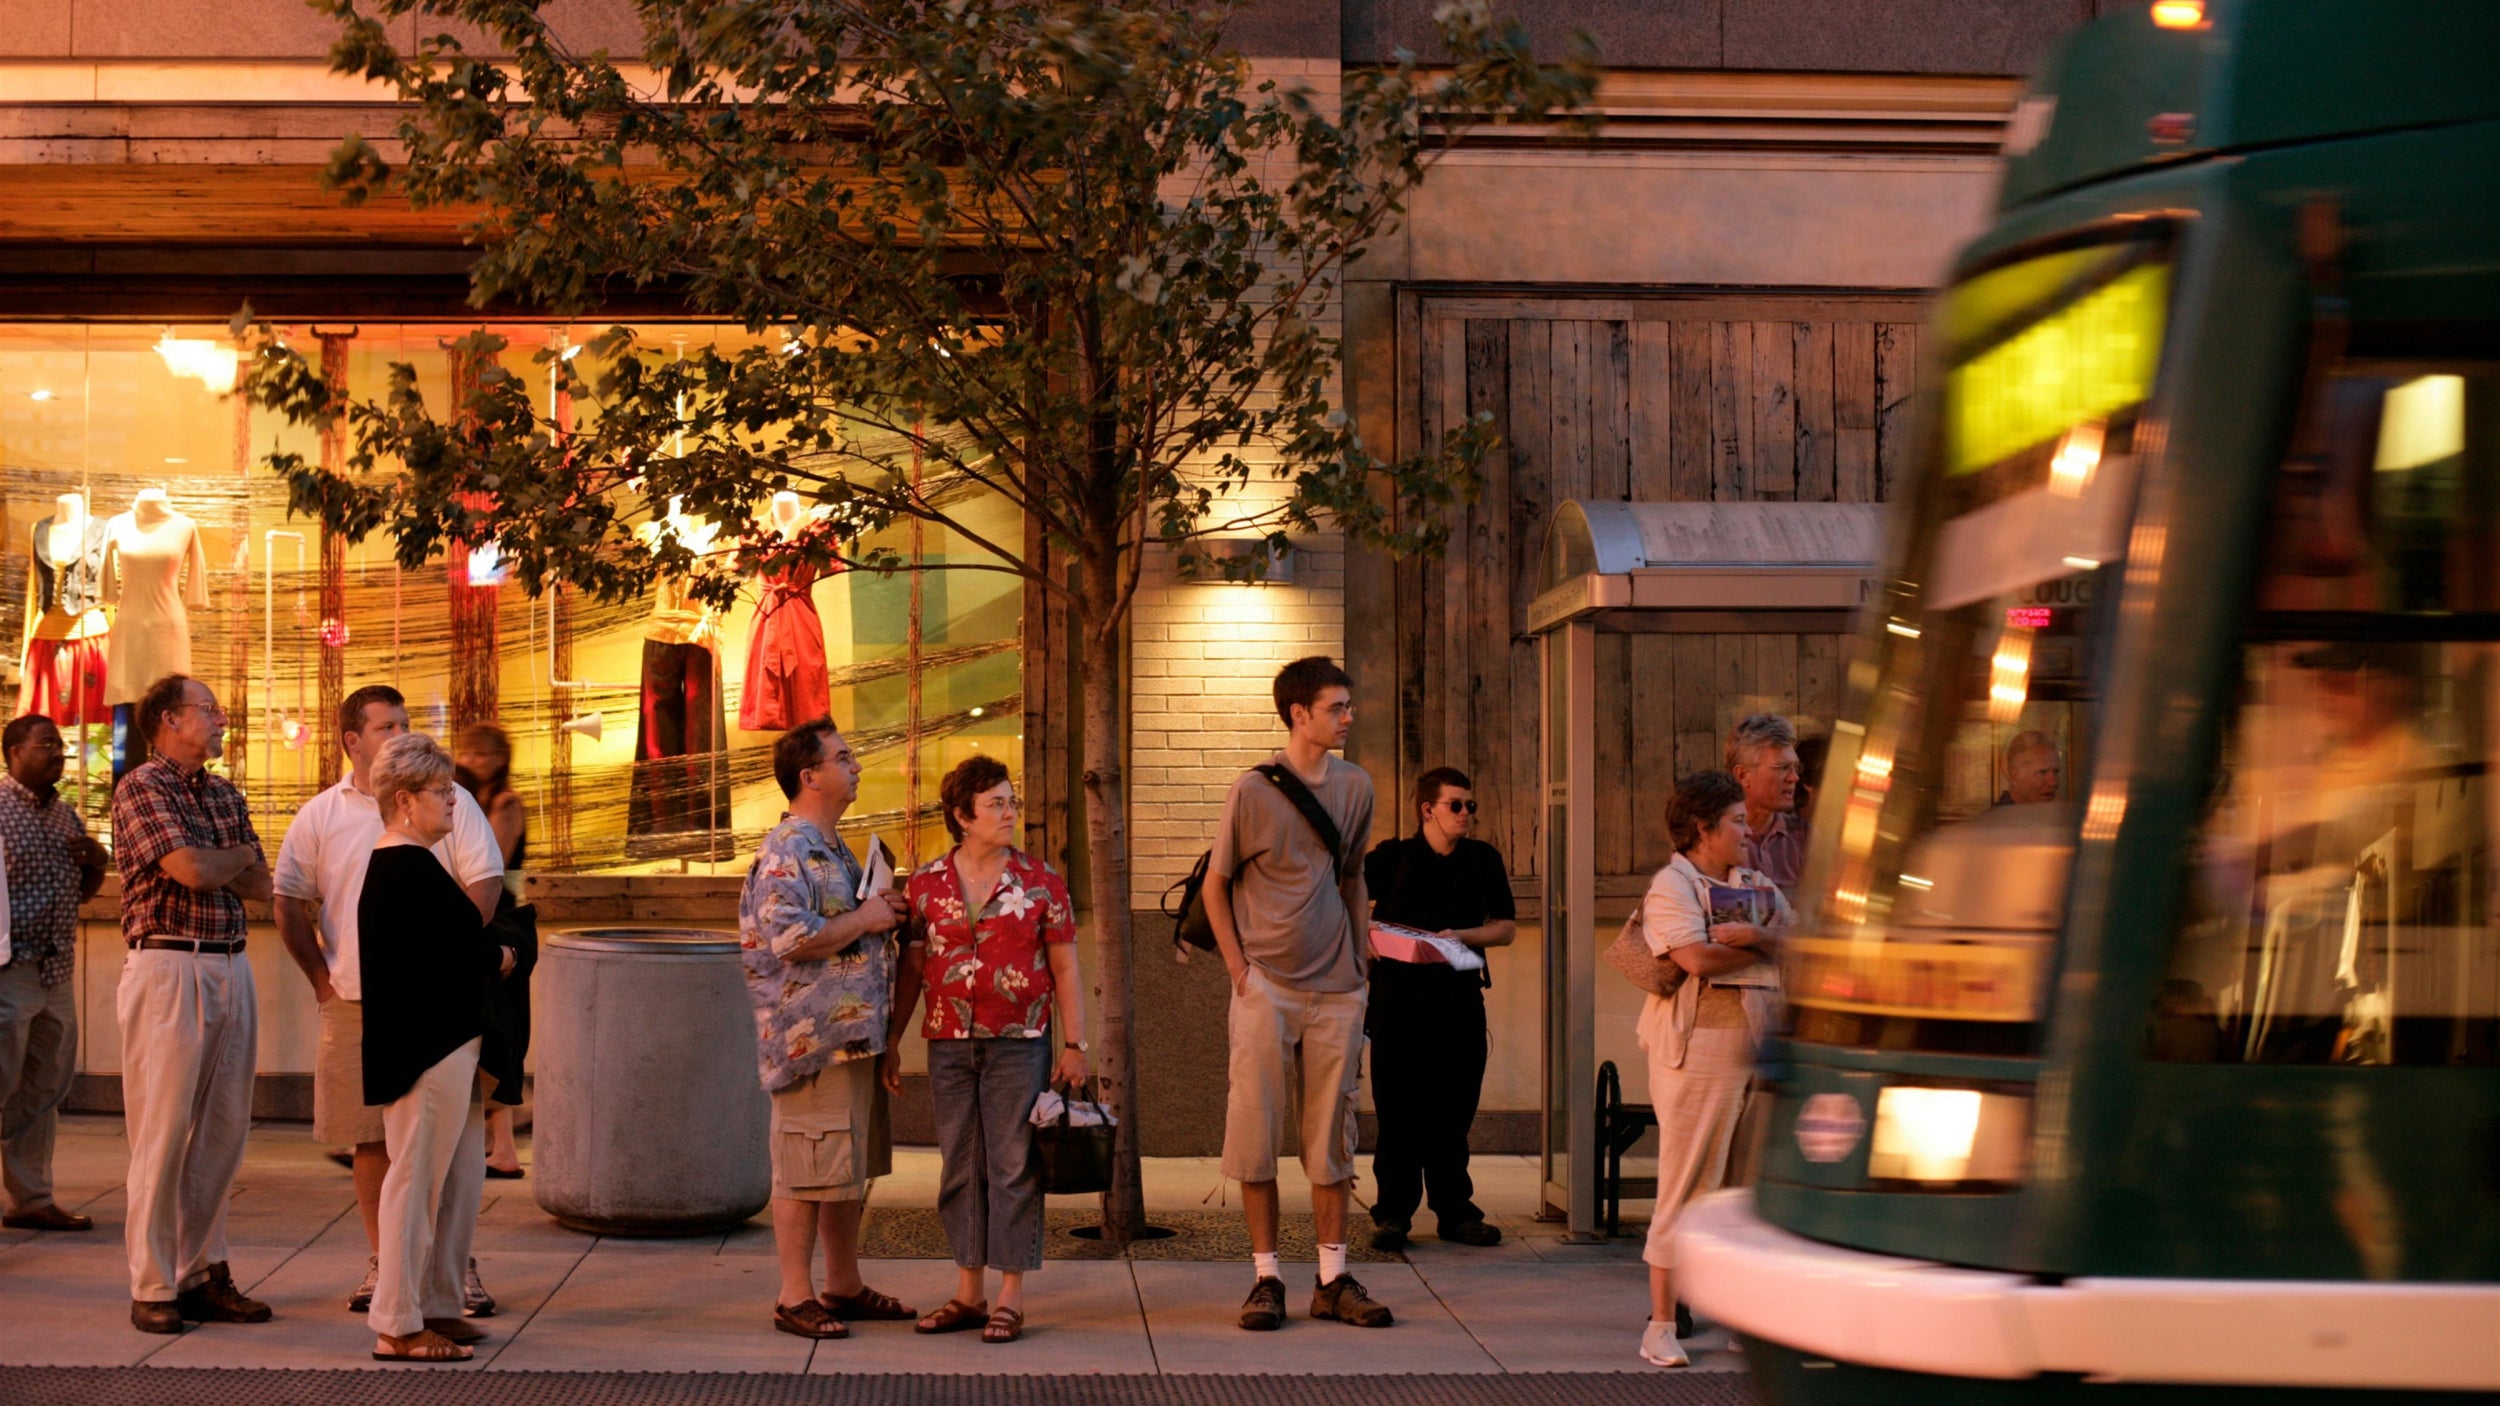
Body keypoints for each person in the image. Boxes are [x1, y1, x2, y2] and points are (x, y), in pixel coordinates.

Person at [274, 684, 504, 1318]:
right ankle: (394, 1279)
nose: (399, 734)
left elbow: (483, 883)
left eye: (406, 723)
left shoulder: (445, 813)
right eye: (385, 727)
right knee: (376, 1144)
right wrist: (323, 983)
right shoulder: (333, 818)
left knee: (449, 1147)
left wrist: (462, 952)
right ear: (353, 740)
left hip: (437, 1002)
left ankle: (446, 1278)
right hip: (356, 1001)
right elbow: (289, 901)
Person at [1206, 656, 1389, 1332]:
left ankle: (1334, 1278)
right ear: (1298, 714)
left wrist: (1361, 954)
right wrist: (1239, 971)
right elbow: (1214, 884)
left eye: (1348, 705)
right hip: (1267, 986)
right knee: (1256, 1131)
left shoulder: (1355, 786)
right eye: (1337, 707)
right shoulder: (1252, 792)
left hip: (1337, 986)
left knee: (1331, 1136)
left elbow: (1353, 875)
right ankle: (1265, 1277)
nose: (1348, 717)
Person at [892, 755, 1091, 1344]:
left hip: (1018, 1043)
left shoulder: (1040, 881)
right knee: (959, 1167)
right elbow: (912, 969)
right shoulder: (926, 884)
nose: (1009, 813)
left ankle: (1010, 1296)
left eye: (1011, 802)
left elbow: (1065, 968)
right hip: (949, 1042)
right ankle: (967, 1292)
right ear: (961, 816)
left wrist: (1076, 1043)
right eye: (995, 804)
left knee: (1011, 1167)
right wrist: (890, 1042)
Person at [741, 718, 918, 1341]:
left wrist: (881, 915)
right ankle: (795, 1296)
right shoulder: (788, 849)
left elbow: (846, 927)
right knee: (804, 1166)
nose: (857, 766)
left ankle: (842, 1284)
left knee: (843, 1168)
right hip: (809, 1044)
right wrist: (869, 917)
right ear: (809, 775)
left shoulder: (835, 848)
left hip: (852, 1041)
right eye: (844, 757)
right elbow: (791, 939)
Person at [112, 673, 274, 1335]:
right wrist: (234, 855)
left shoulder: (224, 793)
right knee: (163, 1132)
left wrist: (231, 861)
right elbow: (192, 870)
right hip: (169, 966)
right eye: (207, 709)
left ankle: (203, 1271)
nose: (220, 718)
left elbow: (261, 885)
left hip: (233, 964)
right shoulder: (141, 787)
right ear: (169, 719)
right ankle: (152, 1284)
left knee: (222, 1133)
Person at [358, 733, 516, 1363]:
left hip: (440, 1041)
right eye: (440, 793)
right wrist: (499, 957)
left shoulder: (414, 864)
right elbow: (443, 954)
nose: (453, 803)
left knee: (443, 1181)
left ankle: (435, 1305)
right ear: (404, 800)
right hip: (425, 1046)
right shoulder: (402, 866)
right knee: (414, 1184)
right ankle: (396, 1323)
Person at [1635, 771, 1789, 1369]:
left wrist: (1754, 934)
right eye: (1734, 821)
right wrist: (1764, 943)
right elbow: (1696, 957)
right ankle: (1662, 1322)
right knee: (1688, 1181)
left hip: (1755, 1044)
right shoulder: (1671, 885)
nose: (1747, 830)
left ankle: (1740, 1316)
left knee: (1741, 1190)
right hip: (1697, 1048)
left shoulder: (1755, 883)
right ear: (1703, 829)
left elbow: (1803, 940)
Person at [1360, 765, 1513, 1253]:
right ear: (1428, 809)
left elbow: (1505, 928)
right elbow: (1344, 900)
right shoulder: (1391, 857)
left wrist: (1461, 935)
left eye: (1471, 806)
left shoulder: (1481, 860)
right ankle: (1393, 1215)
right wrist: (1363, 937)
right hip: (1397, 1004)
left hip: (1459, 1001)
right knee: (1399, 1110)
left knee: (1453, 1110)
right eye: (1456, 805)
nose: (1466, 814)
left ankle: (1456, 1212)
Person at [0, 714, 109, 1233]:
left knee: (45, 1085)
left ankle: (31, 1198)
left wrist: (95, 859)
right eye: (46, 745)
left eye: (61, 745)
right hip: (9, 967)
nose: (59, 753)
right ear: (14, 753)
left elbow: (84, 892)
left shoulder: (66, 816)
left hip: (56, 967)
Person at [454, 723, 530, 1180]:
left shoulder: (504, 803)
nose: (474, 761)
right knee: (485, 1033)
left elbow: (492, 863)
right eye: (468, 753)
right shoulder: (467, 800)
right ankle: (497, 1144)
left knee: (497, 1032)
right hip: (480, 919)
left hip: (500, 921)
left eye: (483, 755)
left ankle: (503, 1147)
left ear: (501, 758)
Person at [1726, 714, 1806, 896]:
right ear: (1743, 775)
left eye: (1796, 767)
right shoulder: (1712, 839)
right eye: (1782, 767)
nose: (1794, 777)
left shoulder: (1805, 837)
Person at [1997, 731, 2062, 806]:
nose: (2053, 782)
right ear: (2016, 776)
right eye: (2042, 772)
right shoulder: (1997, 817)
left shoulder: (2057, 813)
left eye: (2056, 772)